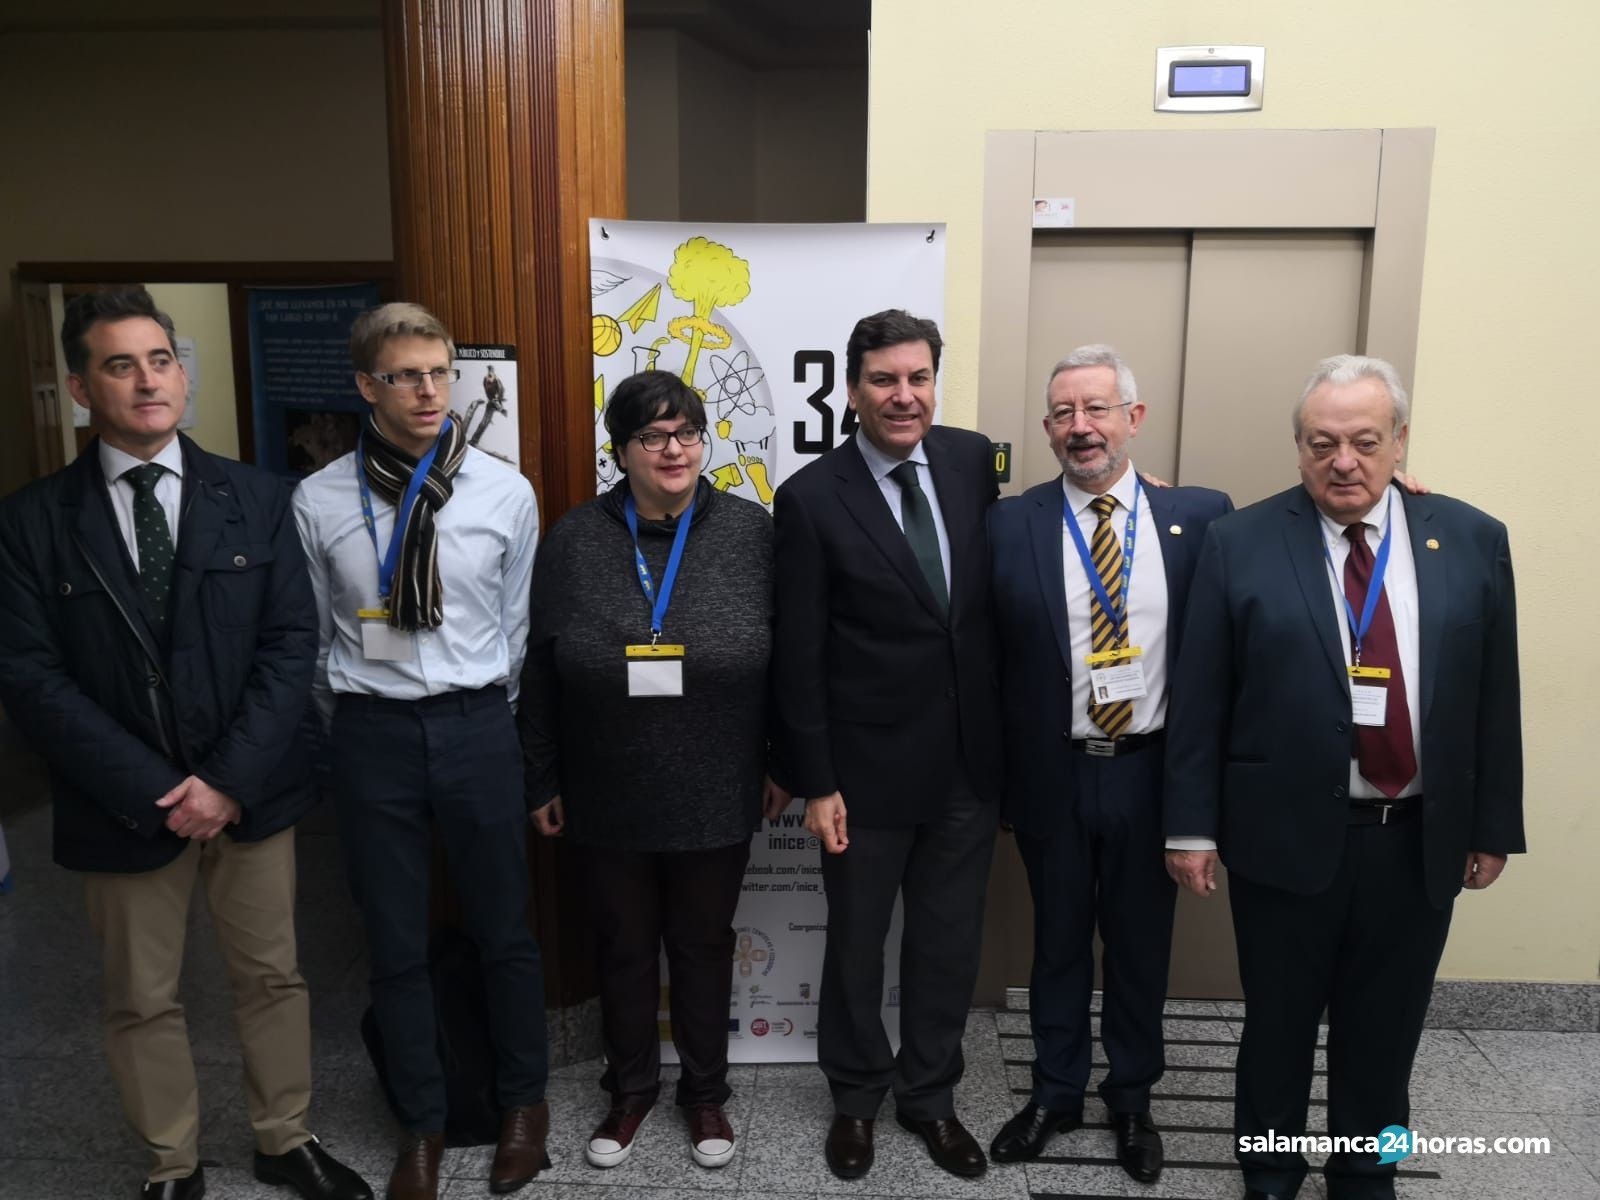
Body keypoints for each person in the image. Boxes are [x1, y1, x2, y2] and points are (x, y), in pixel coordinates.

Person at [0, 287, 371, 1200]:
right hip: (121, 805)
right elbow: (30, 678)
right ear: (81, 385)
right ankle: (172, 1162)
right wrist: (160, 788)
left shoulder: (255, 496)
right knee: (140, 997)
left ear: (182, 373)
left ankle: (284, 1137)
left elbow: (293, 645)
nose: (146, 381)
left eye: (160, 360)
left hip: (250, 794)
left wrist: (226, 780)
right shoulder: (32, 522)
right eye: (119, 364)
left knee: (273, 978)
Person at [1163, 355, 1524, 1200]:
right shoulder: (1239, 541)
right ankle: (1269, 1171)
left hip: (1419, 842)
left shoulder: (1471, 537)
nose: (1344, 461)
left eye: (1365, 440)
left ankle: (1369, 1174)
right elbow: (1202, 698)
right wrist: (1190, 826)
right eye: (1322, 442)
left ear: (1400, 441)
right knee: (1277, 1028)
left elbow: (1492, 696)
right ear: (1298, 447)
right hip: (1282, 839)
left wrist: (1493, 827)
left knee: (1388, 1033)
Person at [292, 302, 548, 1200]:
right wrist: (362, 723)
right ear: (368, 386)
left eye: (441, 371)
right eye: (407, 375)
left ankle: (522, 1108)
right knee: (394, 945)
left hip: (479, 726)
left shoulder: (504, 491)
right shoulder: (318, 498)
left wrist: (482, 710)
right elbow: (317, 642)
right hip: (371, 736)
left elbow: (516, 630)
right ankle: (423, 1126)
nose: (431, 390)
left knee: (506, 931)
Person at [519, 370, 787, 1171]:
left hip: (719, 783)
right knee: (624, 946)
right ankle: (630, 1088)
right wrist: (542, 777)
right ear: (621, 450)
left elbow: (788, 660)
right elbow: (540, 665)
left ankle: (705, 1092)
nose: (674, 450)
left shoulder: (751, 531)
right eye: (653, 436)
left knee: (704, 945)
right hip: (606, 788)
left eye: (688, 433)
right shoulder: (574, 538)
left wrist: (782, 760)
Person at [987, 346, 1233, 1183]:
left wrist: (1401, 489)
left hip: (1151, 770)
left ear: (1134, 417)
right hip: (1053, 770)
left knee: (1138, 947)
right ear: (1048, 428)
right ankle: (1056, 1092)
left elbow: (1297, 533)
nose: (1079, 427)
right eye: (1062, 413)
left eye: (1096, 409)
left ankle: (1131, 1097)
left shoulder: (1199, 517)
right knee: (1056, 943)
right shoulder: (1011, 522)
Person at [772, 309, 1004, 1181]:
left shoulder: (973, 460)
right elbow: (799, 657)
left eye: (917, 378)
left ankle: (932, 1098)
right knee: (857, 943)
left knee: (947, 943)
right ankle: (857, 1097)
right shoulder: (810, 498)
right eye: (883, 380)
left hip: (969, 767)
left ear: (934, 381)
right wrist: (816, 781)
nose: (903, 397)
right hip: (861, 776)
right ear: (853, 389)